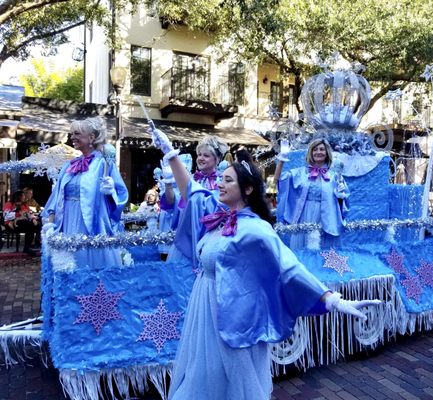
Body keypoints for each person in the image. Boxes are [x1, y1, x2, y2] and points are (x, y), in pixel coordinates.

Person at [149, 127, 380, 400]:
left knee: (227, 379)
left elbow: (289, 267)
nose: (220, 184)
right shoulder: (220, 213)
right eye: (220, 179)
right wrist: (170, 153)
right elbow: (192, 190)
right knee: (204, 375)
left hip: (229, 313)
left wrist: (332, 300)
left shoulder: (255, 229)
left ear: (247, 189)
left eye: (228, 181)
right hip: (205, 306)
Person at [42, 116, 128, 267]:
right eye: (71, 134)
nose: (72, 137)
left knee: (87, 263)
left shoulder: (104, 164)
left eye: (76, 134)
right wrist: (50, 225)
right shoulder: (69, 165)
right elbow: (56, 198)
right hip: (66, 222)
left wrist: (111, 191)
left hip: (91, 225)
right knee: (67, 264)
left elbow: (121, 196)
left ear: (91, 137)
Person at [273, 138, 348, 249]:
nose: (318, 152)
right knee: (301, 249)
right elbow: (278, 180)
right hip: (303, 214)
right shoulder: (300, 173)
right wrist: (282, 159)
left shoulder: (334, 176)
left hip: (326, 217)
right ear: (310, 153)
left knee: (323, 250)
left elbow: (343, 201)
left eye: (322, 149)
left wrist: (341, 196)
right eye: (315, 149)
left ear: (327, 153)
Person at [3, 190, 41, 254]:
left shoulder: (25, 205)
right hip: (11, 224)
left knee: (37, 224)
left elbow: (29, 214)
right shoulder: (9, 204)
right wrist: (19, 214)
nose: (24, 197)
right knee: (29, 225)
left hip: (24, 223)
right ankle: (27, 248)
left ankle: (35, 244)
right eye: (23, 195)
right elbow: (6, 216)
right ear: (18, 196)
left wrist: (33, 219)